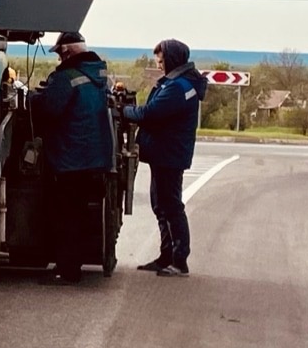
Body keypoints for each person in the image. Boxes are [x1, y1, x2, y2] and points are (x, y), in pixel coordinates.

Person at [29, 27, 115, 282]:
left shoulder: (66, 77)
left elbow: (49, 109)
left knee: (65, 215)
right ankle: (70, 266)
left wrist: (35, 97)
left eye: (59, 55)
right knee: (77, 213)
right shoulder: (100, 76)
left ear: (67, 52)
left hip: (70, 158)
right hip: (94, 157)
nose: (58, 60)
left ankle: (67, 270)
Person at [123, 37, 210, 275]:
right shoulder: (183, 84)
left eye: (161, 61)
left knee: (170, 206)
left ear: (171, 59)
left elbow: (151, 113)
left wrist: (124, 111)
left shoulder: (178, 87)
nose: (159, 65)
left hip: (169, 153)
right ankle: (166, 256)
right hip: (167, 152)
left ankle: (179, 260)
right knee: (161, 205)